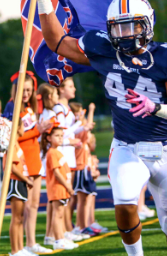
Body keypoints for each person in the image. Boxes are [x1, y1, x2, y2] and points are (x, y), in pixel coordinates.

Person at [31, 0, 167, 256]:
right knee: (124, 202)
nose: (125, 34)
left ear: (147, 25)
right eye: (119, 28)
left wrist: (157, 108)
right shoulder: (103, 49)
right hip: (127, 147)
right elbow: (56, 40)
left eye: (132, 26)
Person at [3, 71, 52, 254]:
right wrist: (37, 131)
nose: (25, 93)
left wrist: (41, 130)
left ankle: (31, 242)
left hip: (34, 159)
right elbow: (13, 138)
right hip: (22, 162)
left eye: (29, 90)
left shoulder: (29, 108)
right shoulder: (11, 107)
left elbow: (29, 133)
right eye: (22, 90)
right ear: (15, 89)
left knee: (33, 205)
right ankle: (20, 246)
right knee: (22, 208)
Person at [53, 78, 91, 241]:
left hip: (69, 153)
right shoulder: (59, 108)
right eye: (70, 86)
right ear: (61, 89)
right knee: (63, 194)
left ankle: (67, 228)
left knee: (68, 196)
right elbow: (61, 133)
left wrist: (83, 127)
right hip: (63, 154)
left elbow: (68, 132)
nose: (74, 89)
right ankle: (63, 231)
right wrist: (78, 125)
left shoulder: (66, 108)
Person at [42, 124, 77, 250]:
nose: (60, 138)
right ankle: (58, 240)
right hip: (57, 188)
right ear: (49, 138)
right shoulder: (52, 153)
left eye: (61, 136)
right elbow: (56, 173)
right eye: (57, 136)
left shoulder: (57, 152)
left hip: (62, 189)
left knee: (61, 214)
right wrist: (67, 186)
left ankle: (61, 237)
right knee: (57, 214)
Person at [5, 119, 35, 256]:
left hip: (21, 182)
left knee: (21, 218)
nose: (25, 129)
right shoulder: (11, 145)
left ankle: (20, 248)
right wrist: (26, 179)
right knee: (16, 218)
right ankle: (14, 250)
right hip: (15, 182)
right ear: (17, 128)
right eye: (23, 126)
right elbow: (11, 167)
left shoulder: (17, 145)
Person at [36, 83, 59, 246]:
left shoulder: (48, 113)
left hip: (47, 156)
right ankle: (50, 234)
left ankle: (52, 233)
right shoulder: (48, 114)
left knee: (54, 198)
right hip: (47, 158)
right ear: (49, 97)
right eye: (56, 94)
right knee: (53, 198)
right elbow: (45, 139)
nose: (57, 97)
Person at [69, 102, 96, 237]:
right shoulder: (77, 129)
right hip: (79, 166)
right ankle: (80, 226)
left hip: (83, 166)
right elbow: (88, 130)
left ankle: (84, 225)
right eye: (80, 112)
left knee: (83, 199)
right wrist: (91, 111)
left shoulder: (77, 128)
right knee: (80, 199)